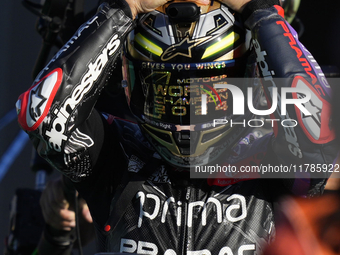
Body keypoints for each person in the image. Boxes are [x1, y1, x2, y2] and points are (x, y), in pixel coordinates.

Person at [16, 0, 338, 254]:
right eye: (167, 90)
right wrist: (124, 9)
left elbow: (320, 138)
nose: (187, 116)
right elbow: (43, 117)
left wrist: (262, 14)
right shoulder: (114, 157)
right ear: (131, 81)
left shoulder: (268, 160)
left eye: (211, 90)